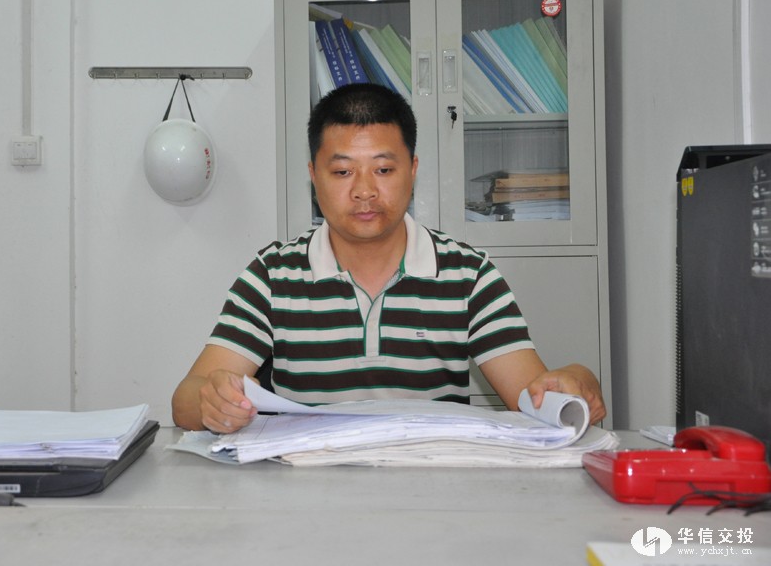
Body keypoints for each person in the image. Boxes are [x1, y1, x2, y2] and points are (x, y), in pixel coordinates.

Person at [172, 83, 605, 433]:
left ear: (412, 171)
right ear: (313, 177)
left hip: (430, 486)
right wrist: (211, 401)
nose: (364, 191)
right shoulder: (272, 275)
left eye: (383, 170)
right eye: (343, 172)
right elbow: (185, 400)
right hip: (306, 490)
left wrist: (576, 381)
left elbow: (533, 399)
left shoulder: (468, 274)